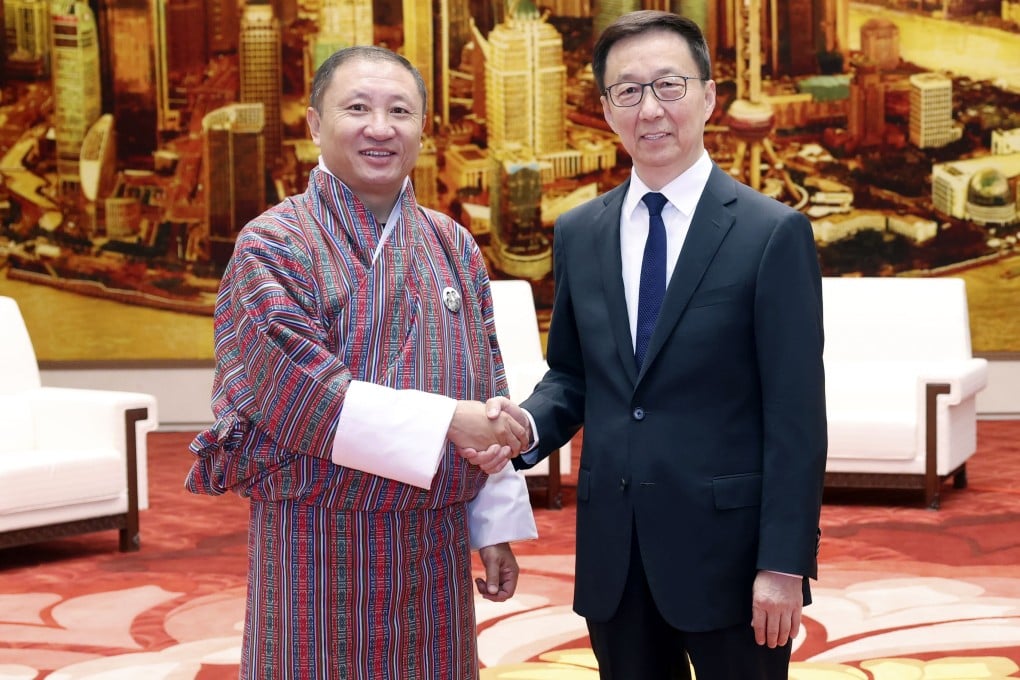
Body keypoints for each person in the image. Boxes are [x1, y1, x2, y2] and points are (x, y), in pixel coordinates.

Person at [488, 10, 827, 679]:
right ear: (608, 110)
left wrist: (783, 564)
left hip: (732, 561)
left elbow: (796, 418)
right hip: (616, 557)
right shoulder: (580, 231)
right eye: (628, 91)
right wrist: (525, 425)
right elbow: (574, 378)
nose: (651, 109)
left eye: (669, 86)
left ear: (708, 96)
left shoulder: (771, 234)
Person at [186, 45, 537, 679]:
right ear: (316, 124)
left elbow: (486, 389)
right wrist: (446, 423)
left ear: (423, 130)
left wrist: (493, 525)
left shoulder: (451, 243)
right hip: (314, 541)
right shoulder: (272, 243)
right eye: (357, 108)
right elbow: (299, 397)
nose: (381, 127)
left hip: (432, 541)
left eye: (400, 110)